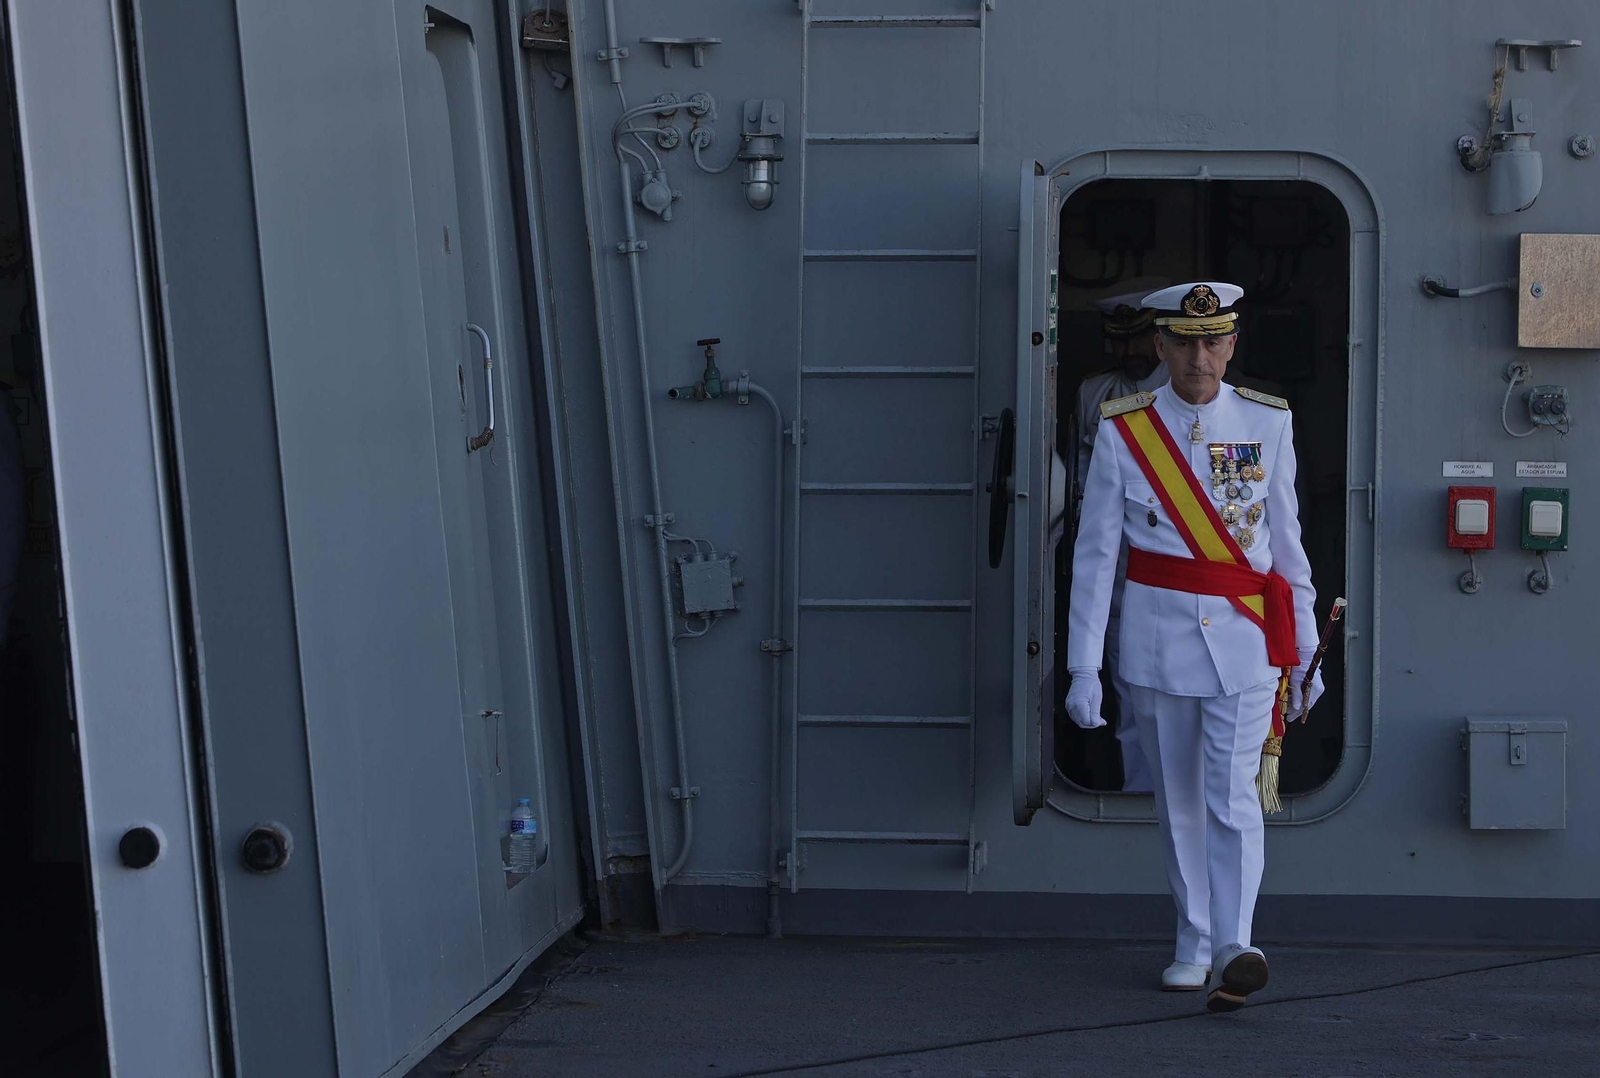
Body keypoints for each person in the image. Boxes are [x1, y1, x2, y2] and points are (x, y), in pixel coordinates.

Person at [1063, 282, 1323, 1011]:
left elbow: (1289, 554)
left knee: (1234, 797)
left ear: (1232, 345)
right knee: (1179, 803)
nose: (1198, 356)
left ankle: (1236, 943)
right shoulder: (1124, 429)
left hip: (1245, 643)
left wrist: (1304, 655)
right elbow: (1094, 557)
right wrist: (1084, 667)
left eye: (1212, 342)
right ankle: (1192, 941)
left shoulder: (1268, 423)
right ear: (1160, 346)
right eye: (1183, 340)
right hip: (1157, 644)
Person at [1071, 288, 1170, 793]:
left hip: (1178, 572)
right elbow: (1076, 486)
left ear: (1158, 341)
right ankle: (1139, 805)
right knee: (1131, 705)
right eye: (1117, 344)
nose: (1125, 356)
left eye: (1135, 344)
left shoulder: (1189, 391)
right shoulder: (1094, 394)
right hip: (1115, 573)